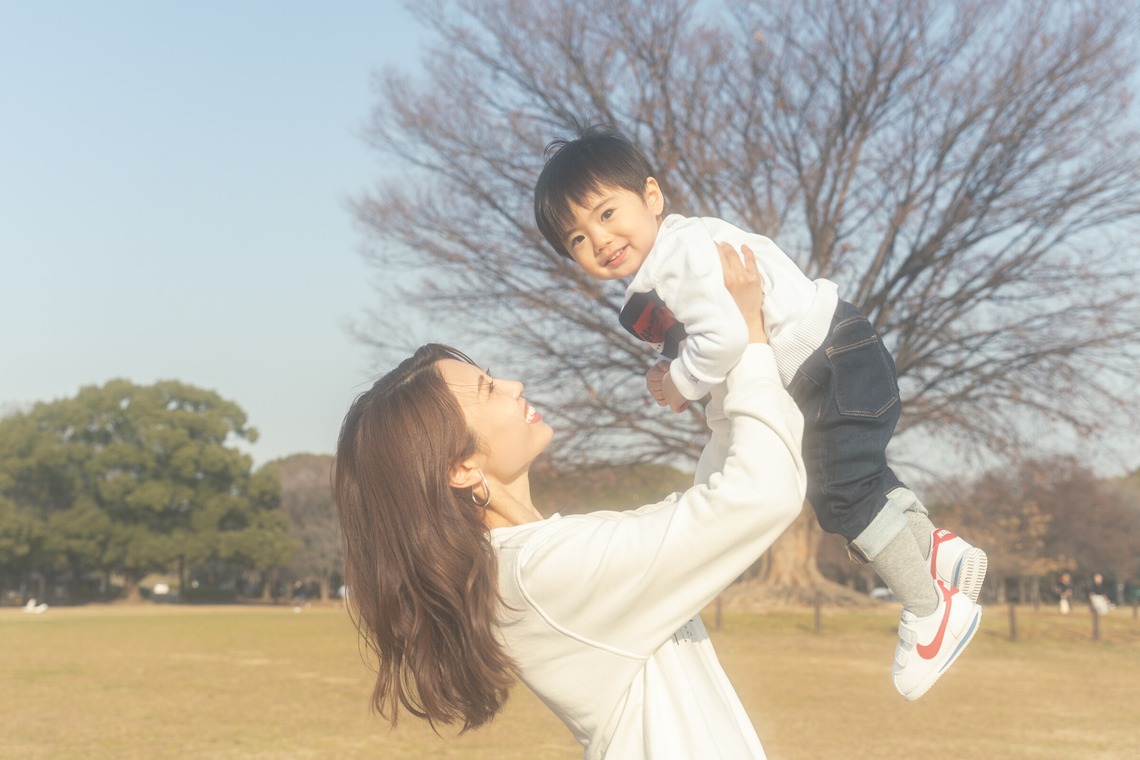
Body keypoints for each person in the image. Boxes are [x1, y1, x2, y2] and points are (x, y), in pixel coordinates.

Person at [533, 124, 984, 701]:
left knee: (844, 493)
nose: (598, 239)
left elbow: (723, 341)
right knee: (852, 480)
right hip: (838, 353)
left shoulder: (679, 258)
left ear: (651, 197)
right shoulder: (676, 255)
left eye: (605, 212)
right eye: (576, 238)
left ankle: (930, 614)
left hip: (827, 364)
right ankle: (939, 552)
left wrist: (678, 382)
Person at [335, 247, 805, 758]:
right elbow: (760, 494)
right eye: (489, 389)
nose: (515, 386)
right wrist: (752, 341)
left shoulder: (534, 558)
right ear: (460, 468)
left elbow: (712, 502)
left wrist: (714, 373)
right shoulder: (542, 574)